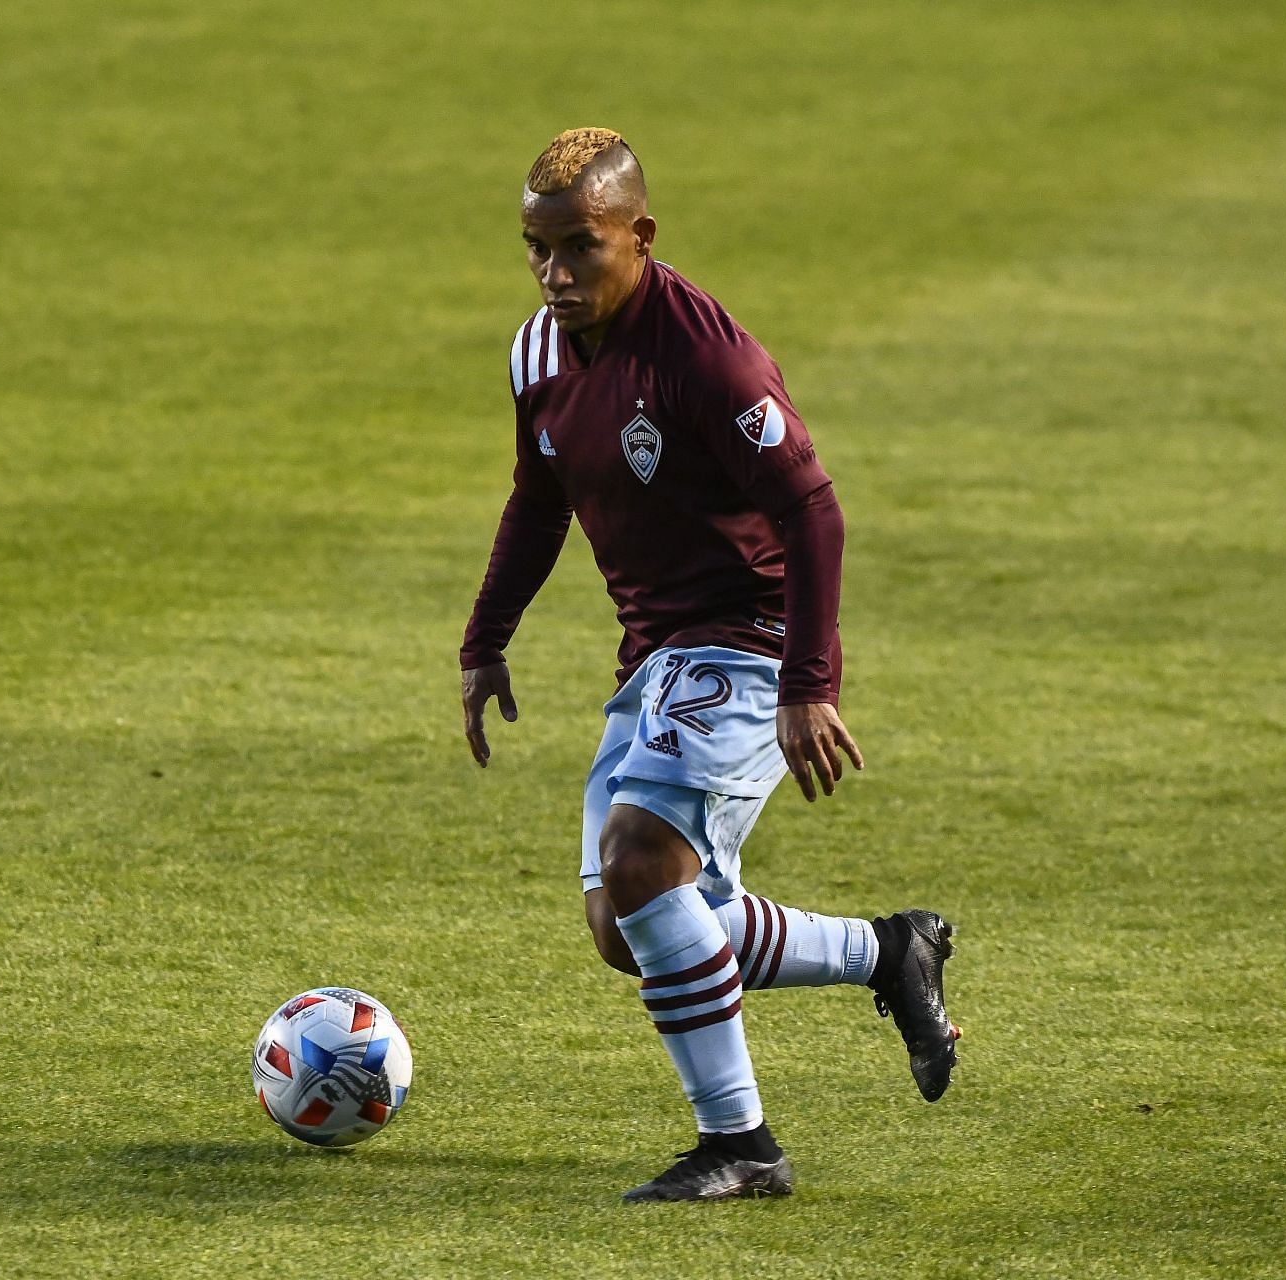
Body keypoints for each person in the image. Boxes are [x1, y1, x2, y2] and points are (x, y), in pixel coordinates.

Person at [459, 128, 963, 1203]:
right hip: (654, 652)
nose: (554, 275)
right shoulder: (537, 354)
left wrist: (808, 684)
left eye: (579, 250)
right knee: (628, 928)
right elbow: (538, 497)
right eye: (535, 250)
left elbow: (812, 509)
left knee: (642, 862)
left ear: (639, 237)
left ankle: (743, 1144)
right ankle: (889, 951)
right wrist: (485, 636)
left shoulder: (705, 357)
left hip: (751, 631)